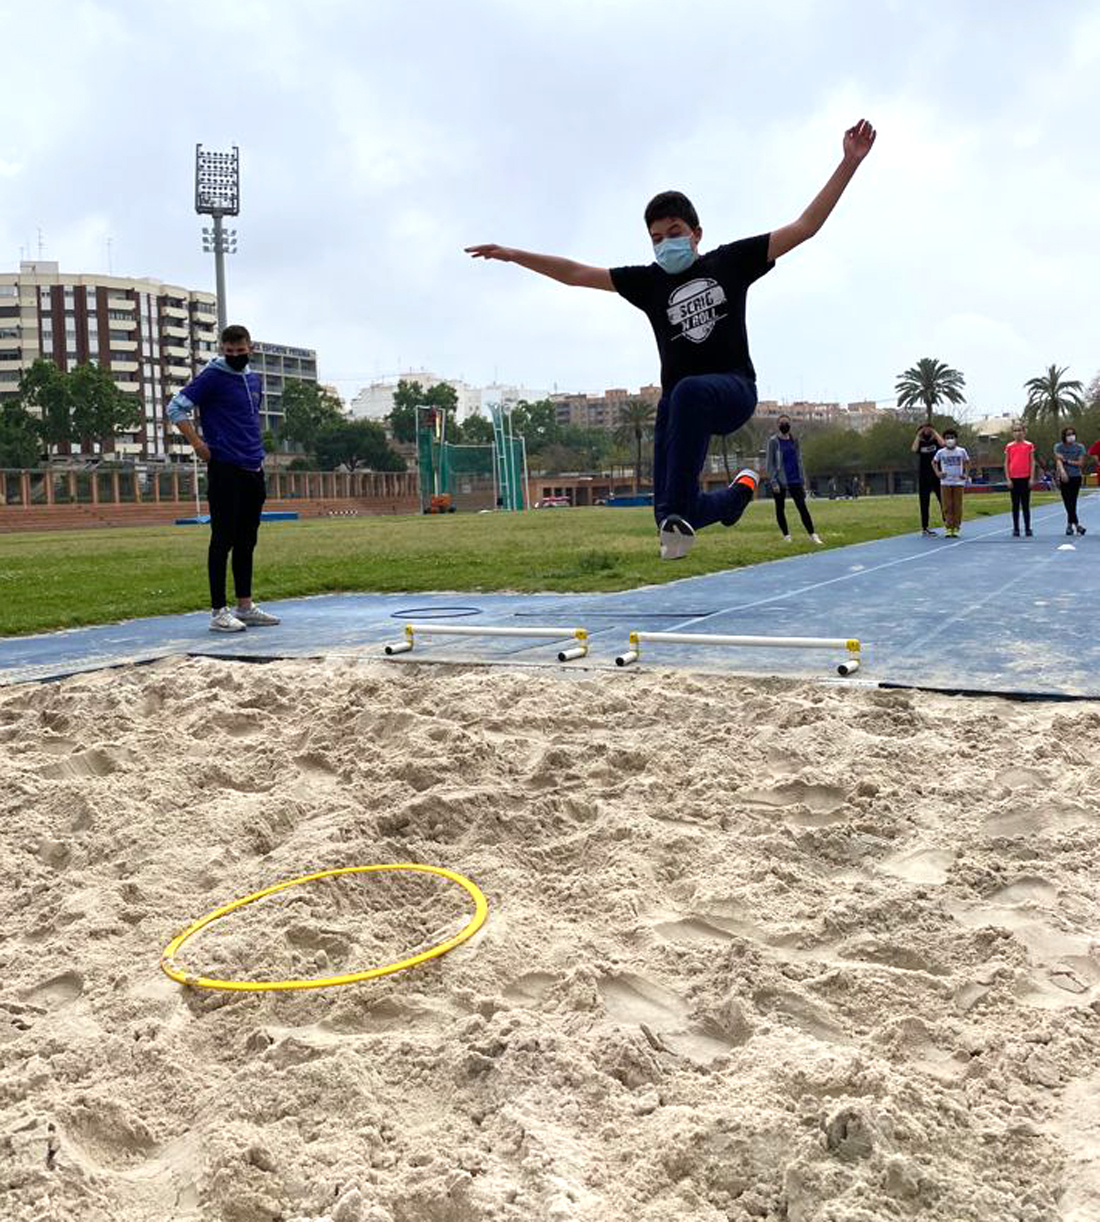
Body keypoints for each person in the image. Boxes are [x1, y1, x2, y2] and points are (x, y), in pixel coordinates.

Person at [466, 120, 877, 559]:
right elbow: (575, 274)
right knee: (669, 514)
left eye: (675, 232)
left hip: (732, 391)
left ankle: (697, 507)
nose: (666, 244)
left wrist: (848, 163)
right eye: (656, 238)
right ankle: (735, 498)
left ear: (697, 234)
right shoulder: (649, 282)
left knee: (686, 392)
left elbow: (805, 226)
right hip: (679, 406)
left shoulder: (730, 263)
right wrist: (514, 255)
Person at [167, 325, 282, 633]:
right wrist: (198, 445)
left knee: (247, 539)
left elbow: (249, 419)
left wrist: (257, 455)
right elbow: (175, 408)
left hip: (252, 467)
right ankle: (219, 611)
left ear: (250, 348)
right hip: (224, 467)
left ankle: (245, 606)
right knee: (223, 539)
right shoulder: (212, 378)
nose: (234, 356)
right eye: (228, 352)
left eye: (239, 351)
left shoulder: (253, 379)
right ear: (222, 350)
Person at [765, 415, 822, 544]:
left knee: (802, 506)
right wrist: (773, 480)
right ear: (778, 425)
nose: (784, 425)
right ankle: (786, 535)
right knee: (780, 508)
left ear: (790, 425)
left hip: (795, 478)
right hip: (780, 479)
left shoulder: (794, 441)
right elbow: (770, 463)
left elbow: (799, 460)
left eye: (786, 422)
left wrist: (802, 478)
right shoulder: (773, 441)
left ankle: (812, 534)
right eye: (781, 423)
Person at [932, 428, 970, 538]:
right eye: (947, 438)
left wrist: (965, 474)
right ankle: (949, 527)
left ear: (956, 439)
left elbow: (967, 462)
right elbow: (934, 462)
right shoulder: (941, 452)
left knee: (957, 505)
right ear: (944, 440)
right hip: (945, 482)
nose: (950, 440)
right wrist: (938, 473)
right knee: (947, 505)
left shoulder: (961, 451)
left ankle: (956, 527)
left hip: (958, 482)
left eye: (952, 438)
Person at [1003, 421, 1036, 537]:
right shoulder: (1009, 446)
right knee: (1015, 504)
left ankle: (1028, 528)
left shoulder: (1029, 445)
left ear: (1024, 432)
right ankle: (1016, 528)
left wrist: (1032, 478)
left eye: (1020, 430)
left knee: (1026, 504)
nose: (1018, 433)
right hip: (1014, 478)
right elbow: (1006, 463)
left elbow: (1032, 462)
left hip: (1025, 478)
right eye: (1015, 431)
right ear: (1012, 433)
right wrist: (1008, 479)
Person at [911, 423, 944, 536]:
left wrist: (934, 432)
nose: (926, 430)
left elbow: (943, 444)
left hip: (936, 474)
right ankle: (925, 527)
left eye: (928, 428)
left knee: (942, 499)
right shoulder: (920, 442)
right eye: (924, 428)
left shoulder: (935, 441)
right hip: (924, 475)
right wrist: (918, 435)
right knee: (924, 502)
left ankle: (948, 522)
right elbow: (914, 449)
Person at [1056, 425, 1088, 536]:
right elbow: (1059, 460)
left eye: (1072, 434)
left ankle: (1072, 526)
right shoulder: (1058, 447)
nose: (1071, 436)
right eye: (1068, 434)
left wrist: (1067, 461)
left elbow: (1081, 463)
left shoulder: (1080, 447)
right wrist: (1062, 472)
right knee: (1067, 501)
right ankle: (1076, 526)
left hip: (1076, 477)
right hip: (1064, 477)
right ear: (1064, 436)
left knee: (1072, 501)